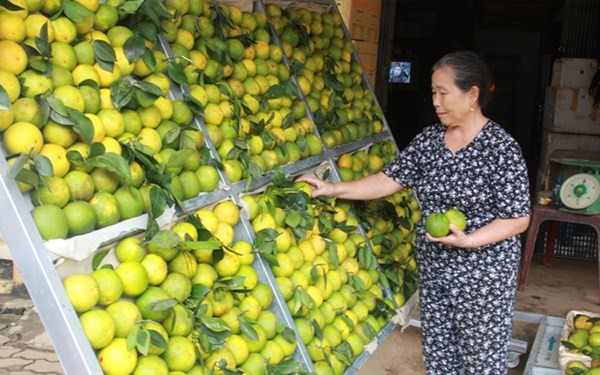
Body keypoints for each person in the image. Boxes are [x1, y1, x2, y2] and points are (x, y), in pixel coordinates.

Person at [299, 51, 531, 374]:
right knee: (439, 359)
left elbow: (518, 218)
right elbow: (386, 181)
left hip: (483, 278)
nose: (435, 101)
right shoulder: (429, 141)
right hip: (436, 270)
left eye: (443, 93)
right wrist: (334, 189)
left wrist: (471, 240)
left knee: (481, 362)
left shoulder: (501, 149)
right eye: (433, 92)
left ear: (472, 95)